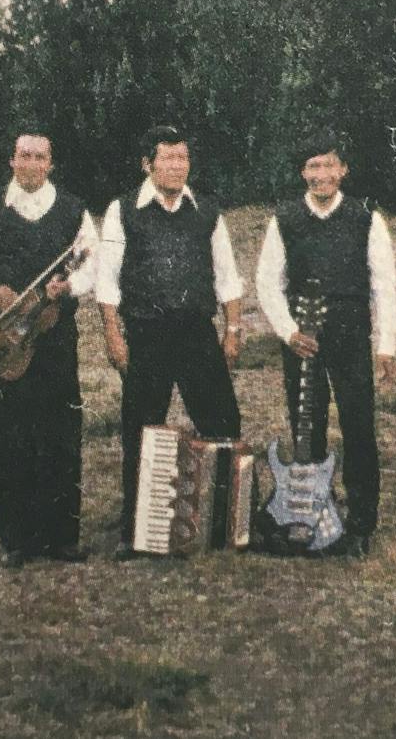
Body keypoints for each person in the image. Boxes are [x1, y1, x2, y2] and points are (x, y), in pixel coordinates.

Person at [0, 130, 98, 568]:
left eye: (39, 157)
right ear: (12, 161)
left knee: (60, 433)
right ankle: (17, 539)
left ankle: (62, 538)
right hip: (5, 341)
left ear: (50, 164)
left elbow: (94, 265)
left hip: (54, 336)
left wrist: (69, 286)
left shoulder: (73, 209)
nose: (31, 164)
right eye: (24, 156)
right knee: (9, 435)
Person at [96, 124, 245, 560]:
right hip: (146, 334)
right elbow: (107, 280)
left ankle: (226, 524)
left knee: (224, 423)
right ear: (148, 164)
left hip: (197, 333)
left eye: (183, 158)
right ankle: (135, 532)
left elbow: (228, 276)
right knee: (140, 431)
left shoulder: (207, 212)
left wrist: (232, 330)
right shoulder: (123, 210)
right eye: (168, 158)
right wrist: (113, 334)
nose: (177, 166)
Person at [255, 130, 396, 557]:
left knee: (358, 427)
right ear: (303, 173)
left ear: (343, 170)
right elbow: (268, 282)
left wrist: (386, 344)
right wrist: (288, 331)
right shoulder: (285, 219)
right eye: (313, 166)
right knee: (308, 427)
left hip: (351, 333)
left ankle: (361, 523)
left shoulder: (366, 218)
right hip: (302, 339)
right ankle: (312, 513)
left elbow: (384, 284)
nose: (321, 174)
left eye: (329, 165)